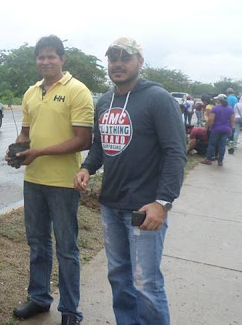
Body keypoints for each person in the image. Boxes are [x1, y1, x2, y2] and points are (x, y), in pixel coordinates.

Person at [74, 37, 187, 325]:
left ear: (140, 62)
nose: (118, 64)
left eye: (125, 58)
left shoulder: (158, 98)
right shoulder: (105, 101)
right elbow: (99, 145)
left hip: (144, 208)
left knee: (146, 283)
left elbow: (176, 153)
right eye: (113, 58)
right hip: (111, 205)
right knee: (119, 276)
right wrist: (87, 167)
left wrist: (162, 202)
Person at [6, 35, 94, 325]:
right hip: (33, 180)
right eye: (41, 57)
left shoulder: (77, 90)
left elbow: (83, 140)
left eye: (51, 56)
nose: (45, 61)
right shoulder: (31, 92)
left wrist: (39, 152)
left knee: (66, 248)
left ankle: (70, 311)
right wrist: (17, 150)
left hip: (64, 183)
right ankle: (39, 298)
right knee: (38, 243)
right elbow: (26, 132)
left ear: (62, 59)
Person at [201, 94, 234, 166]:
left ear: (219, 100)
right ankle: (220, 161)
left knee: (212, 144)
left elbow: (211, 119)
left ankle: (209, 159)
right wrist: (231, 129)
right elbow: (232, 121)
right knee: (222, 145)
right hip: (226, 130)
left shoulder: (215, 108)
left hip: (216, 129)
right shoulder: (230, 109)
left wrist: (209, 127)